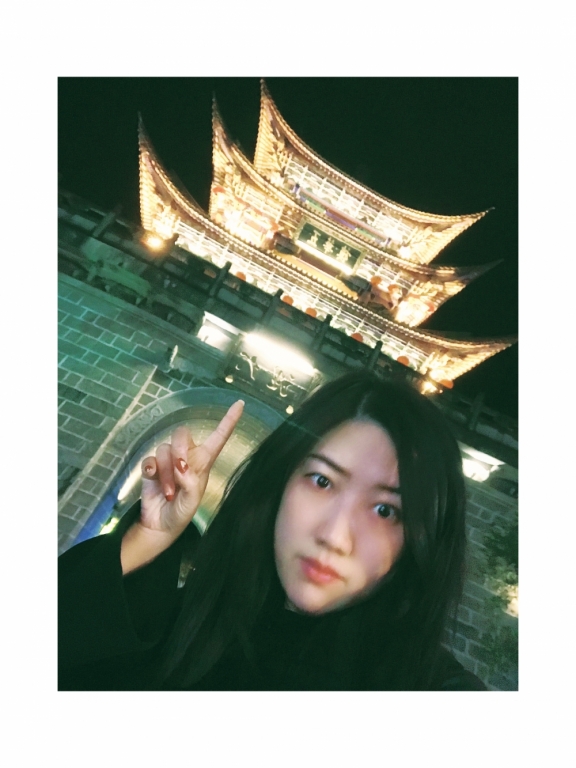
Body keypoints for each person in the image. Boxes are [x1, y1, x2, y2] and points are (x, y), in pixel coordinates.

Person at [58, 371, 486, 690]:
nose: (335, 537)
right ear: (279, 482)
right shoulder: (189, 627)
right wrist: (147, 538)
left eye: (385, 510)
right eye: (321, 481)